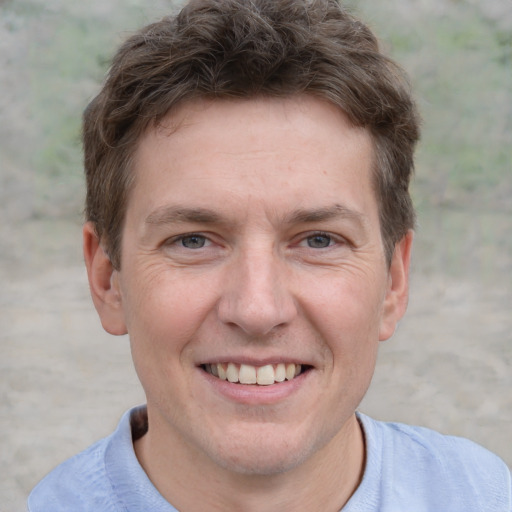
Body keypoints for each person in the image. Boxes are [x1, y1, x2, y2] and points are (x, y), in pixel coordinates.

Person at [28, 0, 511, 510]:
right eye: (193, 240)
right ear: (108, 280)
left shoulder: (483, 494)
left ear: (394, 281)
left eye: (319, 240)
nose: (258, 310)